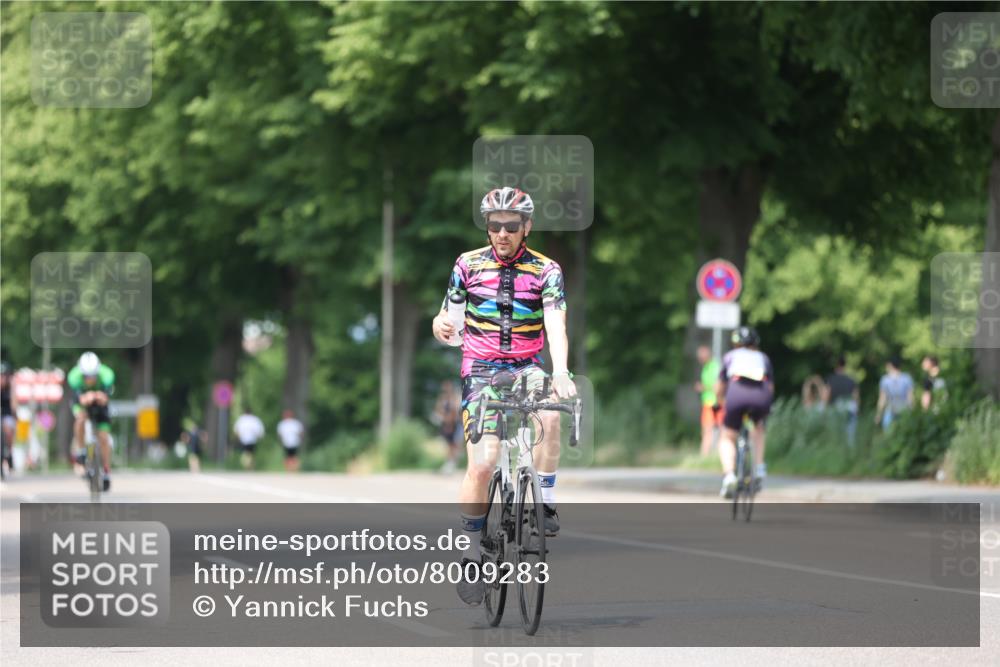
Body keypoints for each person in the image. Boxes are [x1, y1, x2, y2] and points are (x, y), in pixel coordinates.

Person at [431, 186, 577, 606]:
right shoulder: (467, 264)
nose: (501, 234)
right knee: (483, 463)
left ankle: (544, 503)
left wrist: (561, 372)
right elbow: (450, 321)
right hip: (480, 371)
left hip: (527, 368)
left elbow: (556, 324)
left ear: (526, 227)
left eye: (511, 226)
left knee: (552, 415)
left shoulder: (547, 270)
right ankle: (471, 553)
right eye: (494, 226)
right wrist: (440, 325)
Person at [714, 326, 774, 498]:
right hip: (760, 396)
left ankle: (729, 476)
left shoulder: (730, 356)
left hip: (736, 395)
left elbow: (720, 386)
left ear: (735, 343)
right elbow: (770, 387)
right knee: (758, 428)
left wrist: (719, 402)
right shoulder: (763, 358)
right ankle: (760, 467)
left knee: (727, 437)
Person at [67, 352, 115, 491]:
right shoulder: (74, 377)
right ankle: (83, 450)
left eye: (93, 376)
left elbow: (105, 397)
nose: (90, 379)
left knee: (104, 438)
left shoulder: (107, 375)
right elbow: (78, 399)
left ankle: (106, 470)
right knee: (80, 418)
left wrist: (98, 396)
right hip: (83, 406)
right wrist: (89, 397)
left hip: (100, 406)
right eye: (87, 376)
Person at [822, 356, 859, 444]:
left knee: (835, 435)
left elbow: (826, 395)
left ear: (836, 366)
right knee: (850, 436)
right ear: (845, 366)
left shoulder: (830, 379)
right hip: (850, 409)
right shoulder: (851, 380)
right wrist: (857, 410)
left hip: (836, 409)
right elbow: (856, 397)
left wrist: (824, 410)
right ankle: (850, 450)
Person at [694, 345, 723, 457]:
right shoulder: (706, 367)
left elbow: (717, 386)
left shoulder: (714, 367)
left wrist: (702, 387)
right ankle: (706, 456)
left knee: (712, 430)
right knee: (708, 431)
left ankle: (708, 456)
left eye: (701, 357)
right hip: (708, 402)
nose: (699, 359)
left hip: (714, 402)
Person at [875, 356, 914, 430]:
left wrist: (879, 414)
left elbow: (882, 398)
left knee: (888, 432)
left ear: (890, 365)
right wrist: (912, 411)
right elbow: (910, 397)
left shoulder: (885, 380)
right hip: (904, 410)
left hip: (890, 409)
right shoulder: (907, 378)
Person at [431, 380, 462, 473]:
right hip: (445, 423)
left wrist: (450, 423)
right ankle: (450, 463)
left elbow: (454, 413)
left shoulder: (454, 398)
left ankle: (451, 464)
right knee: (450, 445)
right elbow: (438, 409)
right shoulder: (443, 398)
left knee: (453, 445)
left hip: (453, 424)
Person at [1, 361, 14, 478]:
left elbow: (14, 404)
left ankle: (8, 453)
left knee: (8, 430)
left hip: (6, 414)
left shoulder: (11, 388)